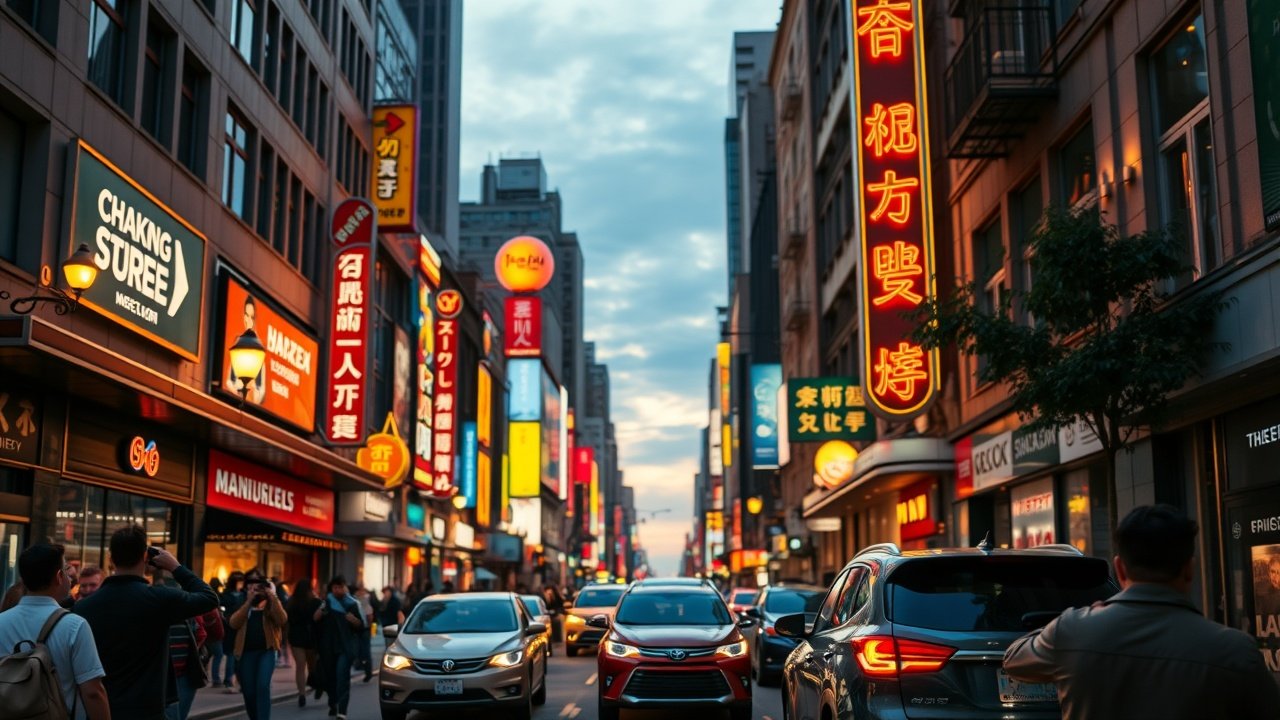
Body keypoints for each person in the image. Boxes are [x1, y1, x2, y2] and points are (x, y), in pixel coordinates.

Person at [1004, 504, 1280, 719]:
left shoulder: (1071, 632)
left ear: (1120, 568)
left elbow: (1013, 658)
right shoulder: (1235, 651)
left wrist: (1083, 613)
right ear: (1189, 569)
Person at [73, 526, 219, 720]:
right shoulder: (159, 599)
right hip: (148, 709)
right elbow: (209, 598)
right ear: (145, 557)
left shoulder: (84, 607)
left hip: (102, 706)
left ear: (110, 558)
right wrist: (176, 567)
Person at [0, 543, 110, 719]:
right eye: (66, 571)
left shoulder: (2, 622)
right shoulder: (75, 626)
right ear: (59, 577)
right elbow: (93, 692)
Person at [228, 570, 287, 720]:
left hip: (267, 651)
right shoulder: (242, 603)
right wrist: (249, 602)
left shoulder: (270, 605)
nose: (254, 591)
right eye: (250, 588)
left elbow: (282, 620)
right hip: (246, 653)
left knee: (262, 686)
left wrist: (272, 596)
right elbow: (233, 623)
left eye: (258, 588)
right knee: (249, 692)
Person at [314, 575, 365, 720]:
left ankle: (342, 711)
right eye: (335, 587)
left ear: (345, 588)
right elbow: (315, 618)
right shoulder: (328, 603)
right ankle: (333, 704)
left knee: (342, 677)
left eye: (341, 587)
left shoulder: (352, 604)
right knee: (331, 677)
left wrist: (353, 620)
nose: (338, 590)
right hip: (328, 647)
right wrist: (322, 609)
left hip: (345, 647)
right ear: (332, 589)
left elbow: (361, 626)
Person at [285, 578, 321, 707]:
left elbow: (287, 622)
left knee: (300, 666)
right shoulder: (315, 602)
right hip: (311, 637)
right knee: (312, 666)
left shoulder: (291, 602)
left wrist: (284, 639)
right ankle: (317, 686)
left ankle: (301, 694)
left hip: (296, 637)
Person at [164, 611, 207, 720]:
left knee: (178, 715)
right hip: (165, 676)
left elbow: (201, 633)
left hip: (186, 674)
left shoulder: (188, 610)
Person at [217, 571, 246, 692]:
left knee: (232, 655)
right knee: (233, 655)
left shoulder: (228, 594)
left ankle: (231, 680)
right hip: (234, 626)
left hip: (231, 626)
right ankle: (231, 680)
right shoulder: (241, 595)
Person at [353, 583, 375, 682]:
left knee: (365, 651)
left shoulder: (364, 598)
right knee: (361, 650)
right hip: (361, 628)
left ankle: (367, 671)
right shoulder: (356, 598)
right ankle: (364, 669)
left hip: (364, 628)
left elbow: (370, 614)